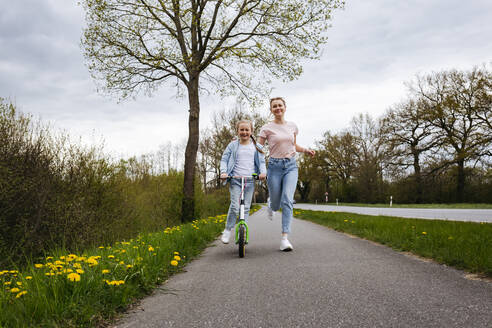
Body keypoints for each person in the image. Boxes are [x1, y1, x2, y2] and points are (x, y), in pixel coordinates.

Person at [258, 97, 315, 251]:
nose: (278, 108)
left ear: (285, 107)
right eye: (274, 106)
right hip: (274, 167)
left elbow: (293, 145)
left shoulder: (293, 126)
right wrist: (240, 143)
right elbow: (258, 148)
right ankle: (271, 204)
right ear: (271, 110)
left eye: (280, 105)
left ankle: (285, 239)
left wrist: (305, 150)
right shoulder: (266, 128)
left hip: (291, 166)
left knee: (287, 200)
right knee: (276, 205)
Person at [219, 120, 267, 244]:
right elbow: (224, 159)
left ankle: (242, 230)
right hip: (235, 180)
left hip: (250, 181)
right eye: (242, 130)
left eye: (247, 130)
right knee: (235, 206)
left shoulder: (257, 146)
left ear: (251, 131)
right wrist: (224, 172)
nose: (244, 132)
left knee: (245, 207)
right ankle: (228, 229)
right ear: (237, 131)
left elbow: (261, 162)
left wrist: (263, 173)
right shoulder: (233, 145)